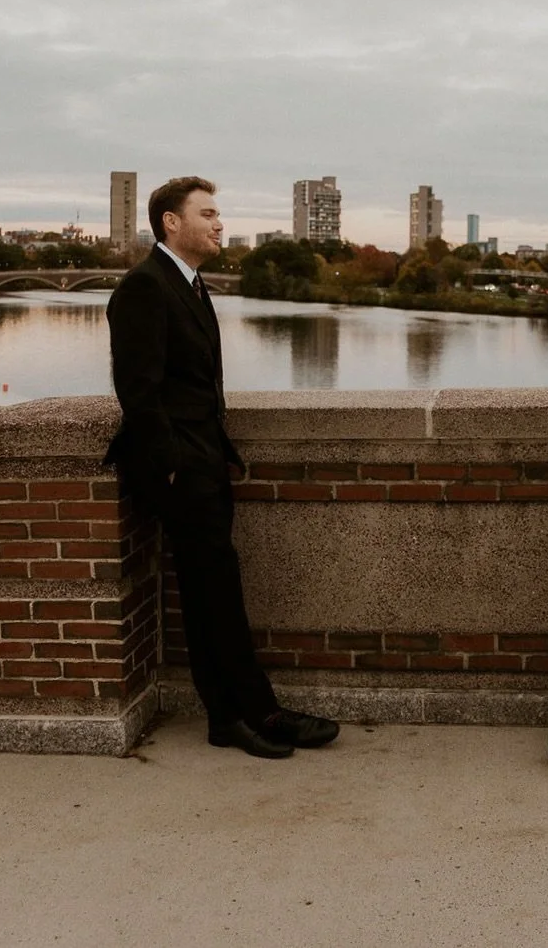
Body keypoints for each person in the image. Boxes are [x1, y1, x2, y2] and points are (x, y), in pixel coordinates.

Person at [104, 176, 339, 759]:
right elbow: (139, 391)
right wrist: (175, 466)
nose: (218, 224)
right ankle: (250, 713)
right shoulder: (143, 288)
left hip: (203, 459)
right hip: (178, 468)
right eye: (207, 213)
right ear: (171, 223)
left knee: (215, 587)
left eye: (218, 214)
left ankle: (237, 714)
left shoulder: (190, 284)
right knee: (213, 590)